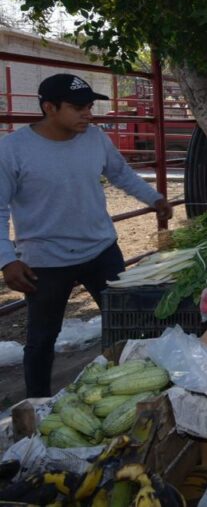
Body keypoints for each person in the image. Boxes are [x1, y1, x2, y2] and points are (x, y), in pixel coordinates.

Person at [0, 73, 173, 397]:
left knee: (130, 324)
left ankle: (134, 391)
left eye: (90, 106)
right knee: (41, 340)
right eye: (78, 107)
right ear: (49, 107)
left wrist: (154, 199)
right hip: (45, 262)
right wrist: (7, 260)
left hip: (101, 251)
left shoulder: (95, 138)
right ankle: (37, 406)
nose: (88, 114)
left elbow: (120, 173)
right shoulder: (13, 150)